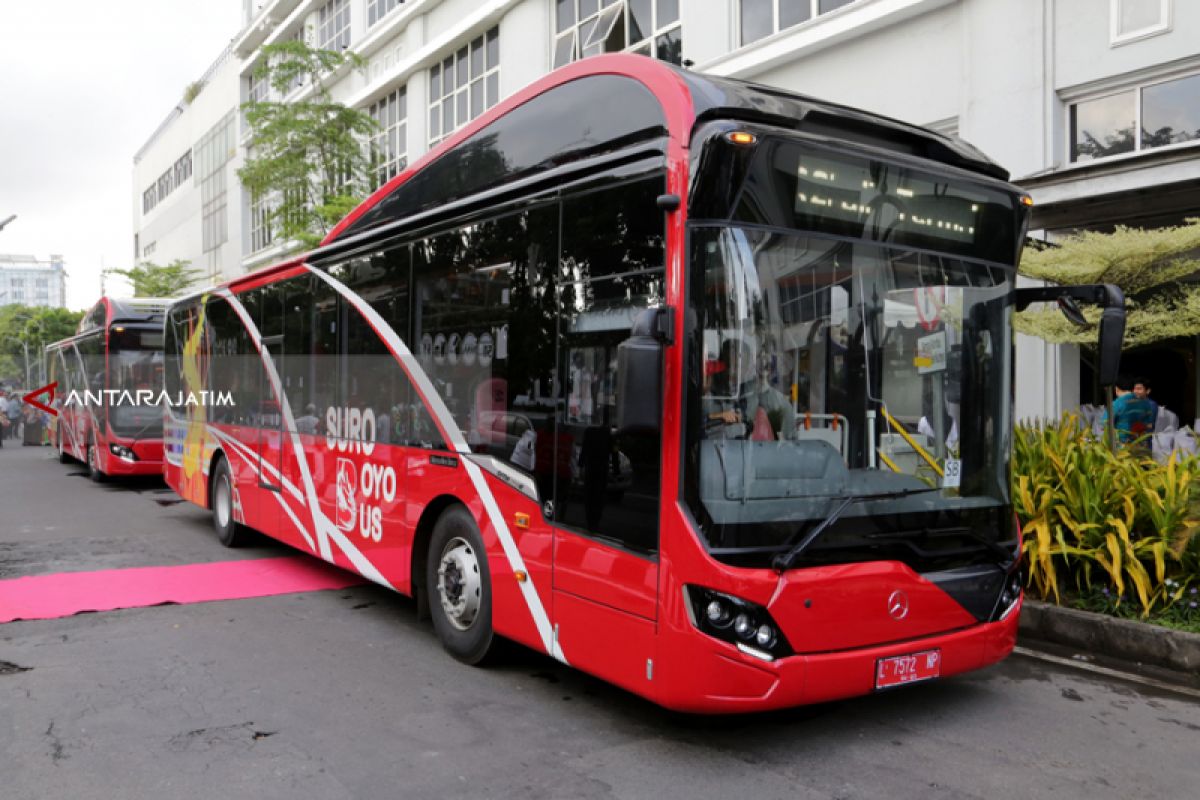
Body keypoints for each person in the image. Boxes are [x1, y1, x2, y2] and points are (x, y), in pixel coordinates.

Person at [1102, 375, 1157, 443]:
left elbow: (1104, 425)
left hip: (1121, 447)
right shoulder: (1145, 403)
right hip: (1141, 445)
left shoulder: (1116, 404)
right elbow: (1149, 425)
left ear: (1117, 389)